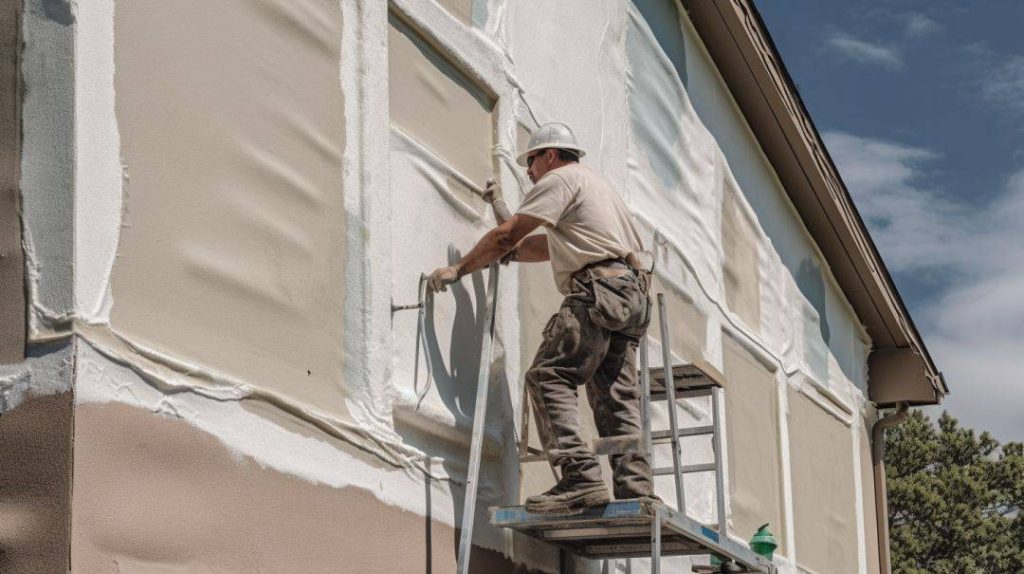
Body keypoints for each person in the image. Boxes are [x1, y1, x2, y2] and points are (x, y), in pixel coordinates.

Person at [426, 122, 655, 514]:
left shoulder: (560, 179)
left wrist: (459, 270)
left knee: (549, 376)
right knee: (615, 397)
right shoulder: (595, 187)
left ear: (550, 155)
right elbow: (533, 246)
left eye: (530, 162)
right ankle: (637, 489)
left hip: (598, 292)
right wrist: (503, 217)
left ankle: (580, 478)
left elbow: (507, 238)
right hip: (630, 297)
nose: (529, 172)